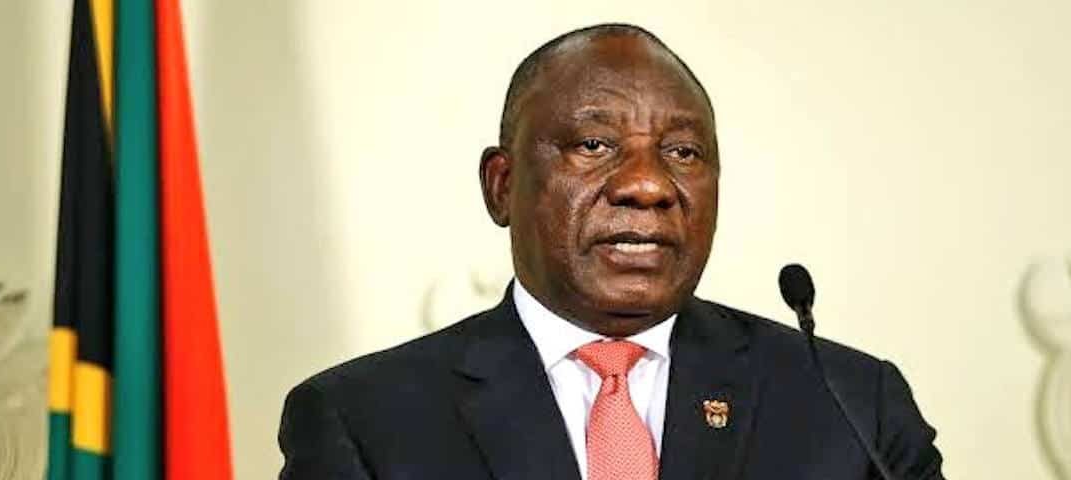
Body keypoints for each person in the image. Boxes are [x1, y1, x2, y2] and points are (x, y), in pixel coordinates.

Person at [278, 23, 944, 480]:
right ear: (502, 186)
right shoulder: (364, 422)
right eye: (594, 145)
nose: (648, 185)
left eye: (683, 152)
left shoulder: (850, 406)